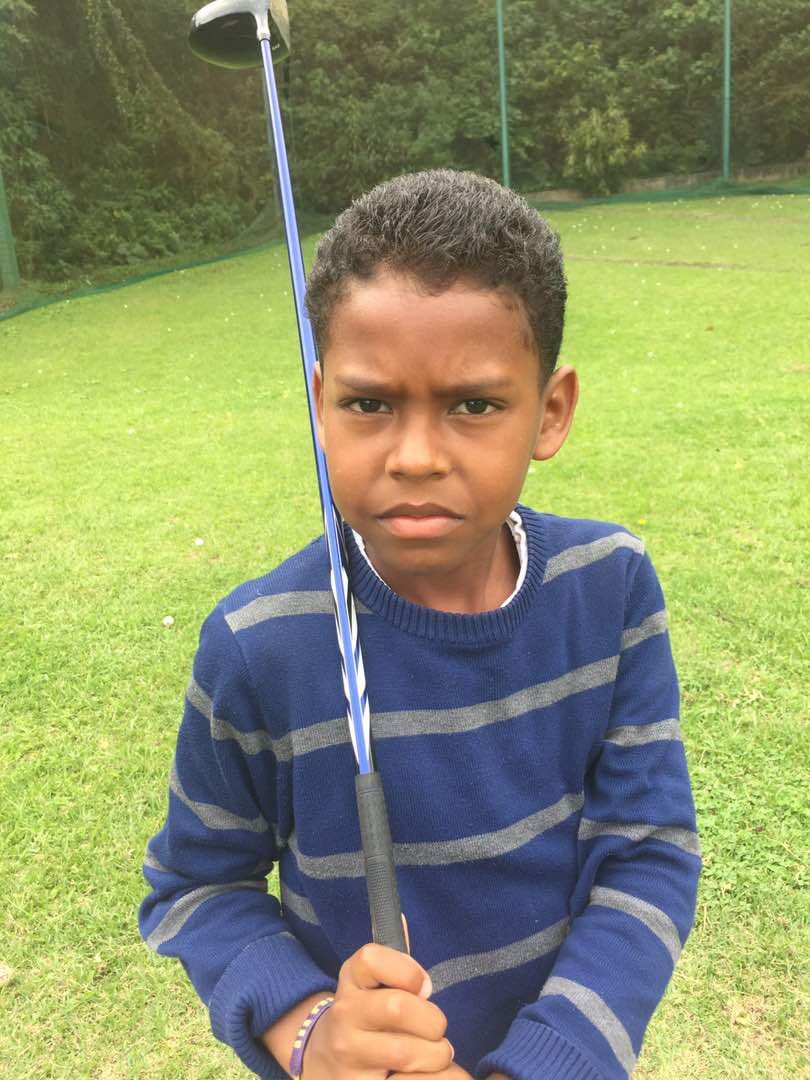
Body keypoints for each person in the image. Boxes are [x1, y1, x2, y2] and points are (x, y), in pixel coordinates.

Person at [139, 169, 700, 1080]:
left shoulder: (610, 587)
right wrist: (312, 1033)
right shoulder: (258, 644)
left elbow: (649, 854)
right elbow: (198, 885)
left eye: (474, 404)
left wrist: (544, 1061)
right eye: (369, 404)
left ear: (550, 412)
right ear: (320, 404)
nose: (415, 456)